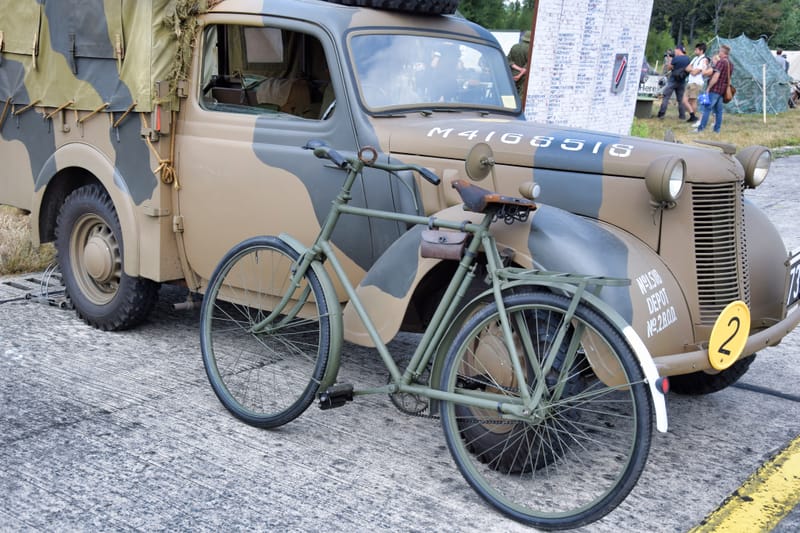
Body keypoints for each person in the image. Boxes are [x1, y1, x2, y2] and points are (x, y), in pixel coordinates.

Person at [694, 44, 733, 134]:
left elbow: (716, 76)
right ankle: (717, 130)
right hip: (722, 90)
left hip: (715, 89)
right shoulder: (731, 64)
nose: (718, 53)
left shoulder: (721, 62)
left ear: (723, 53)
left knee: (707, 108)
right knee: (719, 111)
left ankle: (701, 128)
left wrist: (709, 87)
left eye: (719, 51)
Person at [657, 45, 690, 120]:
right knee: (680, 99)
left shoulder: (676, 58)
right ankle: (682, 116)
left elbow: (669, 68)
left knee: (666, 97)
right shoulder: (687, 58)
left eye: (676, 50)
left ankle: (661, 114)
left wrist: (669, 59)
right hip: (682, 81)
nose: (675, 52)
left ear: (679, 50)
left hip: (673, 80)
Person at [682, 43, 709, 125]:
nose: (695, 51)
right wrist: (692, 69)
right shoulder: (695, 58)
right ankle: (692, 115)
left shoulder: (703, 60)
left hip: (696, 83)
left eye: (696, 49)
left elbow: (695, 72)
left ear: (701, 51)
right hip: (690, 82)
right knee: (685, 100)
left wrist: (692, 69)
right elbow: (687, 68)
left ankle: (693, 117)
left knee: (693, 101)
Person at [507, 31, 530, 96]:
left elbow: (509, 61)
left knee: (510, 94)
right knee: (520, 96)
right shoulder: (530, 49)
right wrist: (520, 74)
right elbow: (528, 65)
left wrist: (518, 69)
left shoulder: (515, 46)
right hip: (523, 78)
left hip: (512, 75)